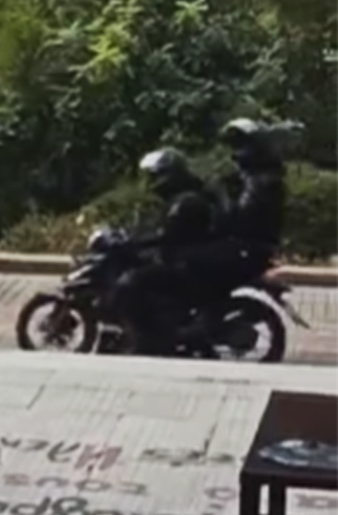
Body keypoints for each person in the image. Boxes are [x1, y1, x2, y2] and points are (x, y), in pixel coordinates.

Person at [108, 148, 225, 354]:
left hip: (185, 266)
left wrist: (135, 243)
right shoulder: (182, 198)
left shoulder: (186, 201)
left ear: (171, 174)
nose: (153, 181)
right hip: (184, 261)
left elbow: (167, 234)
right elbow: (161, 231)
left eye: (156, 176)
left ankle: (147, 338)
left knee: (129, 283)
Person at [217, 117, 287, 273]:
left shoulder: (263, 180)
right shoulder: (246, 178)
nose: (236, 152)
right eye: (234, 146)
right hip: (242, 245)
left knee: (187, 259)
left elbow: (241, 217)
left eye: (241, 145)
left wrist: (222, 195)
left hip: (248, 247)